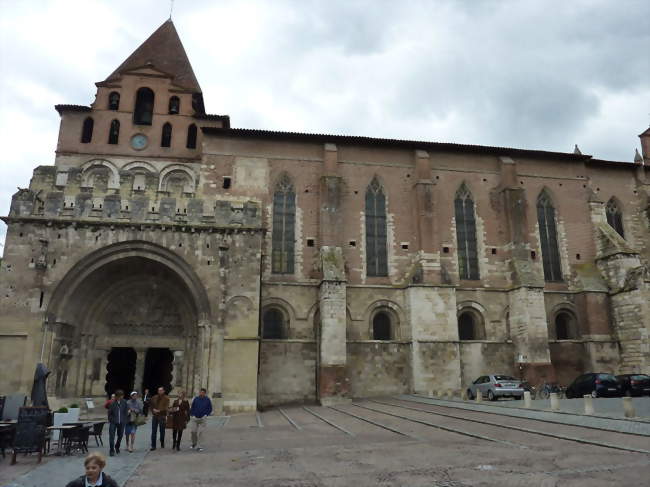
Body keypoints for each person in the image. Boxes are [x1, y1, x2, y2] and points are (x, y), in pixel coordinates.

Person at [107, 390, 128, 457]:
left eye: (122, 396)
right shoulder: (112, 403)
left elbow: (126, 411)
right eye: (120, 396)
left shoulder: (124, 402)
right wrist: (111, 420)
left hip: (121, 422)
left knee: (120, 435)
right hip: (113, 422)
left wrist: (124, 419)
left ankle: (117, 446)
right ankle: (111, 450)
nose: (121, 397)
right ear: (117, 396)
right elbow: (109, 413)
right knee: (111, 436)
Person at [149, 386, 169, 450]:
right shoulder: (154, 397)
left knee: (162, 431)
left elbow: (166, 407)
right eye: (159, 390)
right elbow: (151, 405)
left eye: (161, 390)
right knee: (154, 431)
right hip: (155, 416)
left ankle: (162, 442)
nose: (160, 392)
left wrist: (160, 410)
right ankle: (153, 445)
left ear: (163, 391)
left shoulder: (166, 398)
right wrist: (153, 410)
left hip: (162, 416)